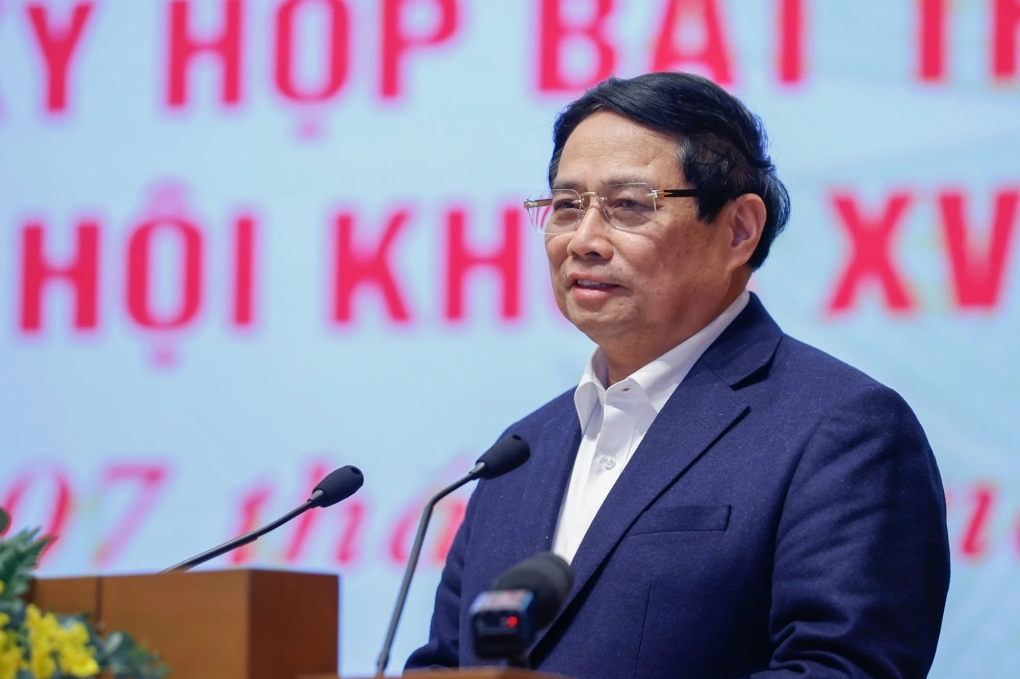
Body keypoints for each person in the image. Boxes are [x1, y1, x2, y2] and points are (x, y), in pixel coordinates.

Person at [406, 72, 950, 679]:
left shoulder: (842, 431)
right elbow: (445, 666)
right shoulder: (518, 456)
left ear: (739, 229)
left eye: (628, 205)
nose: (583, 241)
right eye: (566, 206)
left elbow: (841, 669)